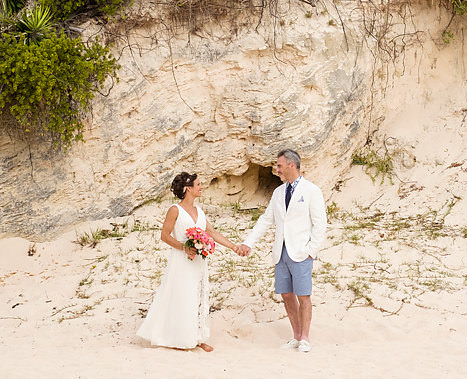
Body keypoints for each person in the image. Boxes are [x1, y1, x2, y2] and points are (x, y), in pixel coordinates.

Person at [237, 149, 327, 353]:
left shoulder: (312, 191)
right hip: (281, 252)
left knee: (303, 295)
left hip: (301, 251)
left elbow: (320, 224)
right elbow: (266, 220)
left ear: (291, 165)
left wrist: (311, 250)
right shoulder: (278, 192)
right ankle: (296, 336)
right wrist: (248, 242)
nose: (276, 169)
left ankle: (305, 338)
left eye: (279, 165)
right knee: (286, 295)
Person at [137, 172, 238, 351]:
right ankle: (180, 338)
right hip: (181, 261)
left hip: (198, 261)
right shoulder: (175, 210)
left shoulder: (199, 211)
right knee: (182, 296)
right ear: (188, 189)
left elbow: (212, 233)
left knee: (197, 296)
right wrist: (183, 246)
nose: (201, 187)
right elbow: (164, 236)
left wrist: (233, 246)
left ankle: (198, 337)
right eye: (198, 185)